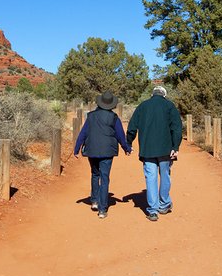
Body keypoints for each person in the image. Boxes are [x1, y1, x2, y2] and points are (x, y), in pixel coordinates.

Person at [126, 85, 182, 221]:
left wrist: (129, 142)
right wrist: (176, 146)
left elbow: (132, 126)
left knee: (150, 178)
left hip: (147, 149)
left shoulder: (143, 106)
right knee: (165, 176)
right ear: (164, 95)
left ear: (152, 94)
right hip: (166, 149)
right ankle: (164, 204)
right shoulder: (169, 106)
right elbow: (177, 128)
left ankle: (152, 211)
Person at [74, 90, 132, 219]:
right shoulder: (114, 118)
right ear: (111, 105)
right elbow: (120, 135)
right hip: (107, 151)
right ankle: (102, 209)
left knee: (95, 174)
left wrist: (77, 148)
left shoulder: (91, 116)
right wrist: (126, 148)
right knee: (104, 177)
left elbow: (83, 133)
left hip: (92, 149)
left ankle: (94, 200)